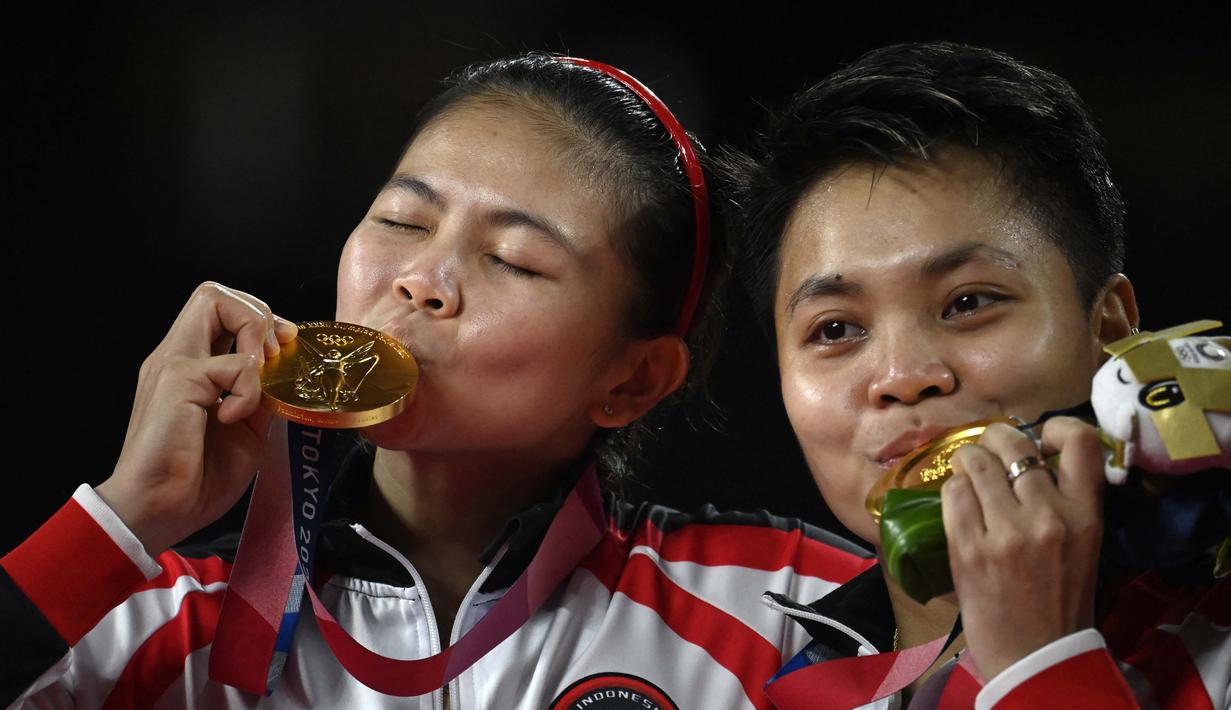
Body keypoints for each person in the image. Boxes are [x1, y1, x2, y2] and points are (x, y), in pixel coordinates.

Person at [1, 54, 869, 709]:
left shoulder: (793, 612)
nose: (421, 279)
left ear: (634, 378)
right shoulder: (156, 627)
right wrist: (124, 517)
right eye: (401, 219)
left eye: (512, 259)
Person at [726, 41, 1228, 708]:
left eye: (968, 303)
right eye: (835, 330)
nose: (903, 377)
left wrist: (1040, 660)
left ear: (1107, 329)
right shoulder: (745, 680)